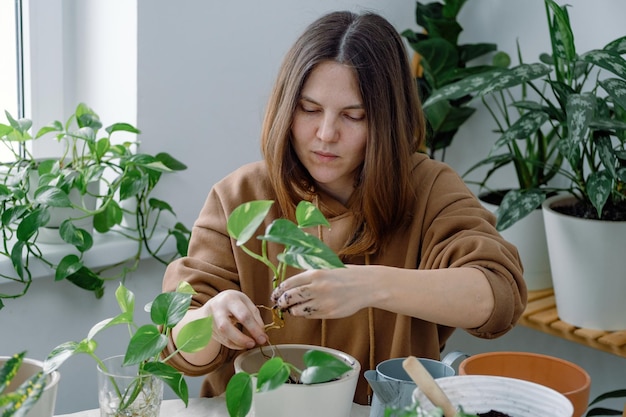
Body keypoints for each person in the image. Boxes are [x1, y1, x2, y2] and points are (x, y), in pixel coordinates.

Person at [162, 10, 526, 406]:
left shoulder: (428, 188)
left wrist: (370, 286)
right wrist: (211, 320)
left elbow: (497, 295)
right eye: (309, 109)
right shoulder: (240, 196)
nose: (325, 134)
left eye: (354, 116)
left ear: (386, 120)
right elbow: (184, 354)